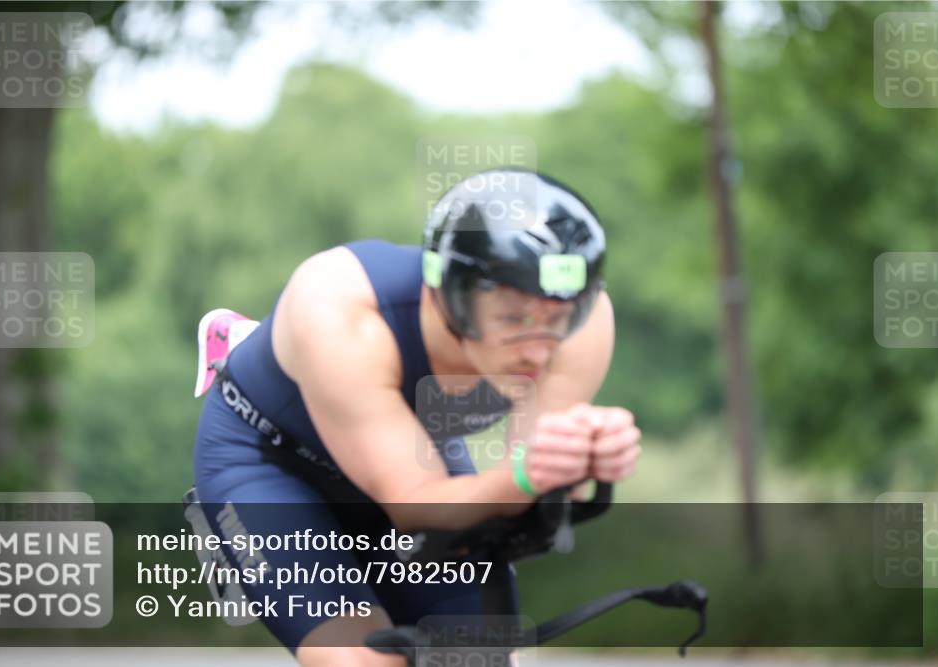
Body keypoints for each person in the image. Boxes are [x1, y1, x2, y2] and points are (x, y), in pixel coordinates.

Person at [192, 168, 643, 666]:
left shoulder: (585, 324)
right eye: (513, 317)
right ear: (446, 293)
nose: (538, 347)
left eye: (558, 319)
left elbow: (533, 490)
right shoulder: (340, 306)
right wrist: (527, 473)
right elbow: (417, 506)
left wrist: (584, 459)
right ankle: (248, 354)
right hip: (271, 459)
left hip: (415, 446)